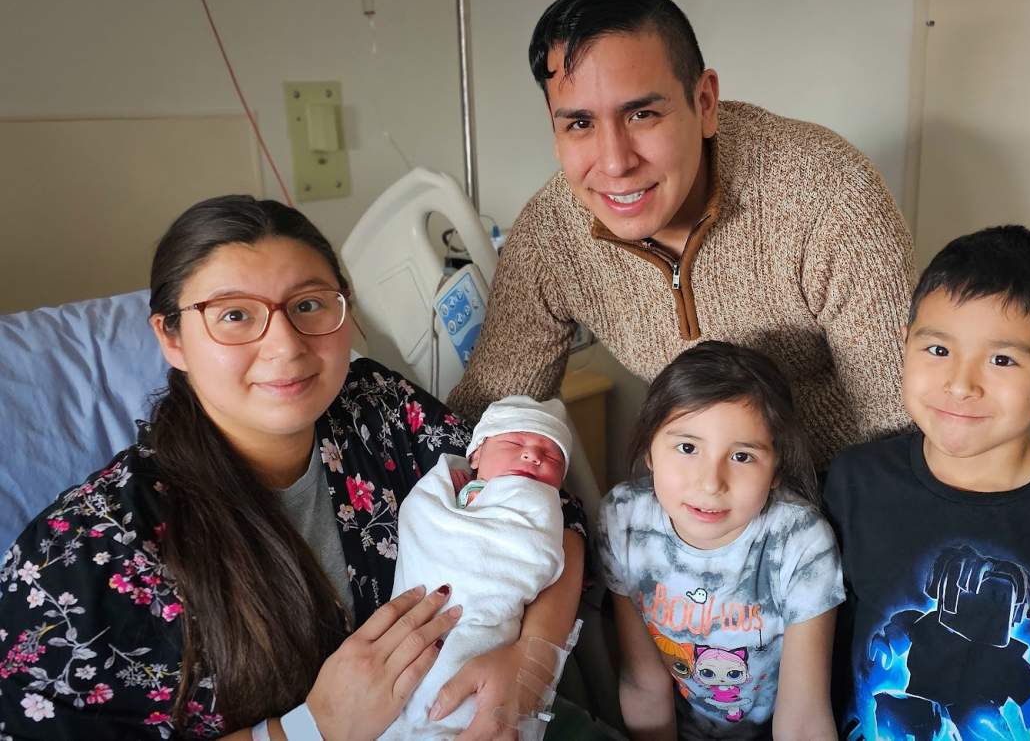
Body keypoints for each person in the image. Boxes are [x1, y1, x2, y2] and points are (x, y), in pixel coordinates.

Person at [0, 196, 585, 740]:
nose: (285, 345)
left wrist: (530, 664)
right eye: (233, 315)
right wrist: (312, 727)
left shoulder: (373, 409)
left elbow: (553, 515)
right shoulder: (89, 556)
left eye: (308, 305)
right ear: (171, 338)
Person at [448, 0, 913, 469]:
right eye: (580, 123)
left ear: (704, 102)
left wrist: (721, 441)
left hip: (847, 479)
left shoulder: (828, 193)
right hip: (687, 485)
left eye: (642, 115)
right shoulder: (551, 238)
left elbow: (893, 402)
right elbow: (490, 414)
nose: (615, 163)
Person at [824, 226, 1030, 739]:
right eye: (937, 350)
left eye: (1002, 360)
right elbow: (813, 667)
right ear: (904, 346)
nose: (961, 384)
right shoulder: (853, 485)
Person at [596, 341, 844, 739]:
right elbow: (644, 681)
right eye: (688, 447)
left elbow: (803, 719)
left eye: (742, 456)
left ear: (776, 469)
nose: (711, 483)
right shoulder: (624, 520)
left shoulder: (800, 541)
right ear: (649, 450)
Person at [383, 395, 574, 739]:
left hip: (484, 647)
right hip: (398, 650)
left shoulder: (540, 506)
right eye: (514, 442)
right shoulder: (442, 489)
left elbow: (541, 555)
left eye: (551, 455)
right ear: (475, 455)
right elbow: (417, 518)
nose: (532, 455)